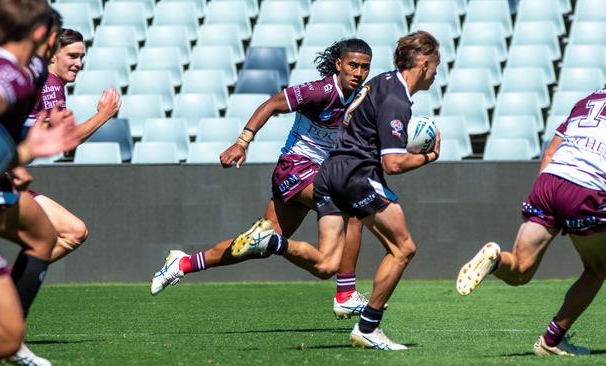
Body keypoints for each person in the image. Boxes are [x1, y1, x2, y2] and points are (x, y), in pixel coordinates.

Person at [223, 31, 441, 350]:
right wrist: (428, 156)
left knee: (327, 261)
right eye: (435, 66)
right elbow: (393, 164)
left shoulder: (380, 81)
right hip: (352, 173)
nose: (436, 73)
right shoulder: (395, 99)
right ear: (423, 64)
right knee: (402, 248)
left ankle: (272, 243)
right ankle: (362, 318)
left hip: (332, 170)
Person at [151, 39, 376, 318]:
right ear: (338, 64)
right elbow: (271, 104)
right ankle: (345, 293)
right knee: (356, 205)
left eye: (365, 67)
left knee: (261, 245)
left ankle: (183, 263)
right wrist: (242, 142)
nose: (358, 72)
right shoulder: (320, 91)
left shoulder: (362, 98)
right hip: (296, 168)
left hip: (314, 176)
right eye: (353, 65)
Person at [0, 0, 79, 361]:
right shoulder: (13, 75)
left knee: (42, 236)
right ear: (43, 35)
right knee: (3, 336)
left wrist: (22, 156)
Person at [456, 87, 606, 356]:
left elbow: (549, 153)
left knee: (521, 270)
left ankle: (496, 260)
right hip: (586, 187)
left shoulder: (586, 101)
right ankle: (551, 341)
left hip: (549, 182)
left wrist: (550, 203)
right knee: (597, 270)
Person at [17, 28, 121, 263]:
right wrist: (103, 115)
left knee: (74, 232)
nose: (79, 63)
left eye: (82, 57)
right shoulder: (50, 83)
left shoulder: (46, 81)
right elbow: (65, 139)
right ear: (53, 55)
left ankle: (6, 289)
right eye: (72, 56)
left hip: (4, 180)